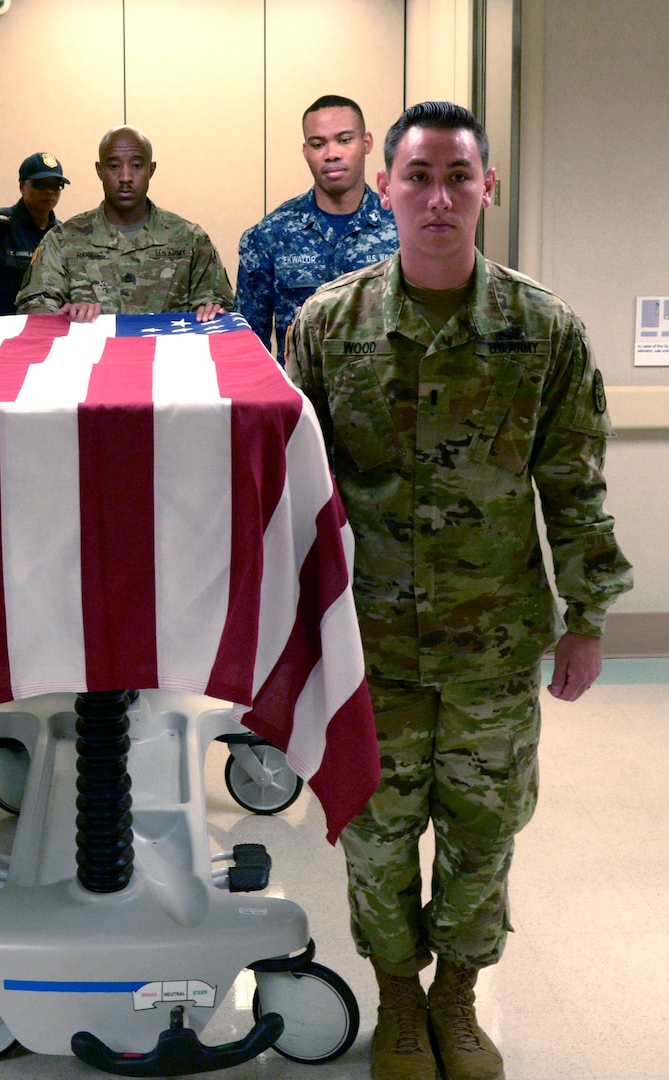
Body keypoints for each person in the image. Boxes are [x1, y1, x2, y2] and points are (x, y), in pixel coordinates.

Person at [285, 102, 632, 1080]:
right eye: (420, 176)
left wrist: (588, 620)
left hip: (492, 642)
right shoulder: (327, 327)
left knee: (483, 829)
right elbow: (290, 499)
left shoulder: (541, 328)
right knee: (377, 830)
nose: (439, 198)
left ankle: (457, 997)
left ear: (485, 188)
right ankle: (397, 997)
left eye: (459, 178)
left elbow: (574, 483)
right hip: (368, 642)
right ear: (387, 187)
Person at [237, 94, 399, 365]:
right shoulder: (270, 235)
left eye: (345, 140)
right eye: (318, 144)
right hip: (302, 401)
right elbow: (250, 346)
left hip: (385, 397)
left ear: (367, 143)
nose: (332, 153)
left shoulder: (403, 228)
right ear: (305, 151)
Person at [14, 125, 233, 321]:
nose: (126, 177)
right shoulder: (63, 239)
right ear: (100, 170)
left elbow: (219, 309)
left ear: (151, 169)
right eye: (114, 166)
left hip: (166, 362)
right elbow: (33, 308)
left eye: (137, 165)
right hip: (88, 362)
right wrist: (65, 315)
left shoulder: (190, 240)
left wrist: (211, 311)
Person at [0, 151, 68, 317]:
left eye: (55, 185)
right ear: (22, 186)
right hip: (0, 328)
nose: (49, 191)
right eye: (40, 184)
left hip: (45, 326)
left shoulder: (62, 234)